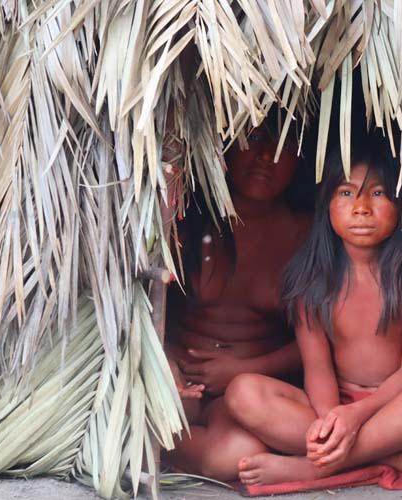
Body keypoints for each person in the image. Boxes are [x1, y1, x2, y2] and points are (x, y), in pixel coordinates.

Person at [223, 143, 402, 486]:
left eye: (378, 193)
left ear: (401, 202)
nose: (362, 208)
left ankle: (312, 468)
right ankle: (386, 455)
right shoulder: (310, 278)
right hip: (334, 403)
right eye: (346, 193)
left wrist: (355, 417)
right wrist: (332, 422)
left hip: (398, 404)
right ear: (327, 206)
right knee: (242, 392)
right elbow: (318, 370)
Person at [164, 118, 312, 480]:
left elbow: (322, 343)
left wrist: (243, 370)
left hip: (248, 391)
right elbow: (144, 307)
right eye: (255, 138)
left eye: (283, 147)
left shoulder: (306, 236)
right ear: (226, 147)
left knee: (238, 456)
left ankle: (165, 450)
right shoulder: (186, 221)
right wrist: (165, 362)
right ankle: (159, 439)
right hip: (175, 379)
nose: (265, 156)